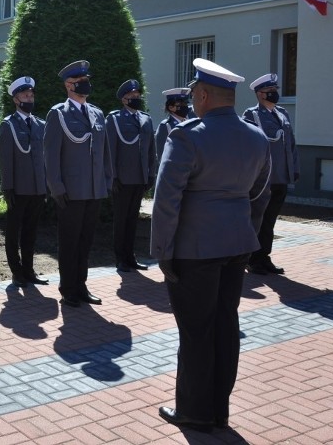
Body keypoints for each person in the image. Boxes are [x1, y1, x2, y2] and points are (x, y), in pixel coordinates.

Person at [152, 58, 270, 431]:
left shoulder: (187, 135)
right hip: (237, 244)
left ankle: (194, 412)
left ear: (202, 94)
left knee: (196, 332)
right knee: (224, 325)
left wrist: (162, 252)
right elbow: (258, 192)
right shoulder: (256, 136)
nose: (191, 101)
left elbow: (166, 199)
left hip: (194, 249)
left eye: (193, 95)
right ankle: (219, 409)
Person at [43, 60, 112, 308]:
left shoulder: (97, 113)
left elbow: (105, 153)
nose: (86, 84)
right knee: (70, 242)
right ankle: (68, 288)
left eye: (86, 79)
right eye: (80, 81)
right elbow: (51, 155)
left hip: (94, 189)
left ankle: (81, 285)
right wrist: (57, 188)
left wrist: (106, 181)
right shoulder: (58, 114)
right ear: (69, 85)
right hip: (71, 192)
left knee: (86, 242)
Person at [242, 73, 299, 275]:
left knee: (270, 221)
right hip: (263, 178)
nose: (275, 94)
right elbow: (248, 148)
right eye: (270, 91)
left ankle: (264, 257)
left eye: (275, 90)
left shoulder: (282, 113)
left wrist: (294, 169)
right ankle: (251, 258)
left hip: (280, 177)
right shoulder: (252, 115)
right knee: (258, 219)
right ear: (260, 94)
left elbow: (290, 145)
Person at [0, 76, 48, 288]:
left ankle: (29, 269)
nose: (29, 98)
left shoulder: (40, 124)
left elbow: (44, 158)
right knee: (13, 231)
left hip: (37, 188)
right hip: (18, 188)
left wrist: (45, 185)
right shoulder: (9, 125)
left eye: (31, 94)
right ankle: (16, 271)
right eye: (25, 95)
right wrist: (8, 187)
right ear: (16, 99)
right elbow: (6, 159)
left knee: (31, 231)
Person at [105, 79, 155, 272]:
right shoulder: (115, 119)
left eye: (137, 96)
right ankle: (120, 259)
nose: (136, 98)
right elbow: (110, 149)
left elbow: (151, 149)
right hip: (122, 179)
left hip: (139, 178)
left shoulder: (145, 119)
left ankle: (130, 256)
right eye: (132, 96)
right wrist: (113, 177)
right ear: (124, 100)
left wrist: (151, 173)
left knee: (133, 219)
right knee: (121, 220)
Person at [154, 88, 192, 164]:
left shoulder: (190, 124)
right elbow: (161, 156)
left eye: (185, 104)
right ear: (171, 107)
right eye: (181, 104)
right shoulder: (165, 127)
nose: (185, 106)